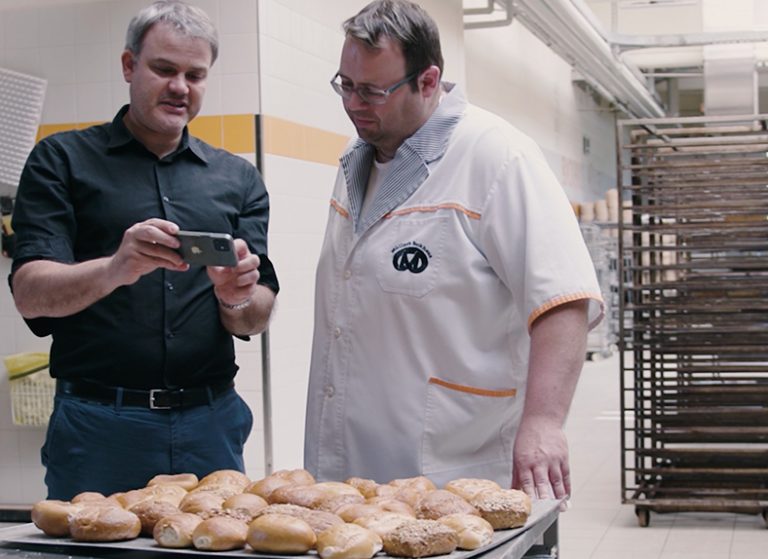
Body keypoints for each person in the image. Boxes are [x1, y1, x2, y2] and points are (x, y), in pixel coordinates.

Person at [304, 0, 603, 503]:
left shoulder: (498, 158)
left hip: (453, 467)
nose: (353, 103)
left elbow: (563, 300)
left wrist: (544, 423)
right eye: (346, 85)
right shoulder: (358, 161)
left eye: (373, 91)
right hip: (350, 471)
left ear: (427, 81)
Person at [9, 0, 278, 500]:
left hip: (210, 423)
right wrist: (116, 268)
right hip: (99, 426)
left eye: (195, 74)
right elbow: (29, 294)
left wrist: (234, 296)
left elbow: (255, 316)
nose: (180, 87)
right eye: (164, 69)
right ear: (130, 65)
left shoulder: (237, 178)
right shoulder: (61, 161)